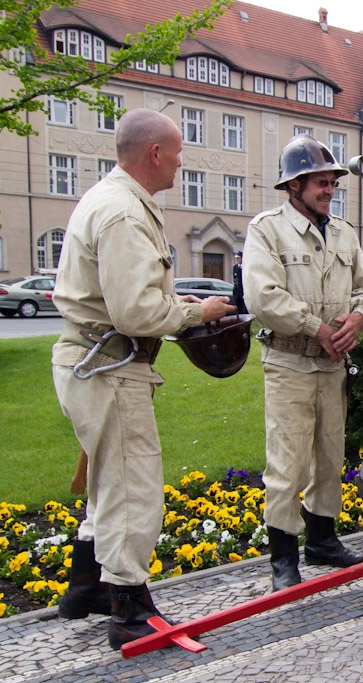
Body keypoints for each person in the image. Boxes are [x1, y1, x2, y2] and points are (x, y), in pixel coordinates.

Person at [51, 108, 236, 649]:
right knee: (132, 483)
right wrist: (196, 314)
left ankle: (85, 586)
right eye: (178, 151)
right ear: (154, 154)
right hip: (110, 367)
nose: (183, 161)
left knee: (108, 479)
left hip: (94, 360)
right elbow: (134, 312)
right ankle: (128, 606)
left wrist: (181, 304)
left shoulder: (118, 201)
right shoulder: (125, 214)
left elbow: (129, 299)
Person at [243, 135, 363, 591]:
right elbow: (263, 298)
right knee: (288, 460)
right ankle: (283, 556)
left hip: (333, 365)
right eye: (321, 182)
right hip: (289, 363)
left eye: (332, 182)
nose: (329, 189)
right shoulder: (267, 230)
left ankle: (323, 539)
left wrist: (357, 318)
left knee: (329, 453)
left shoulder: (343, 232)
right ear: (294, 185)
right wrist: (314, 327)